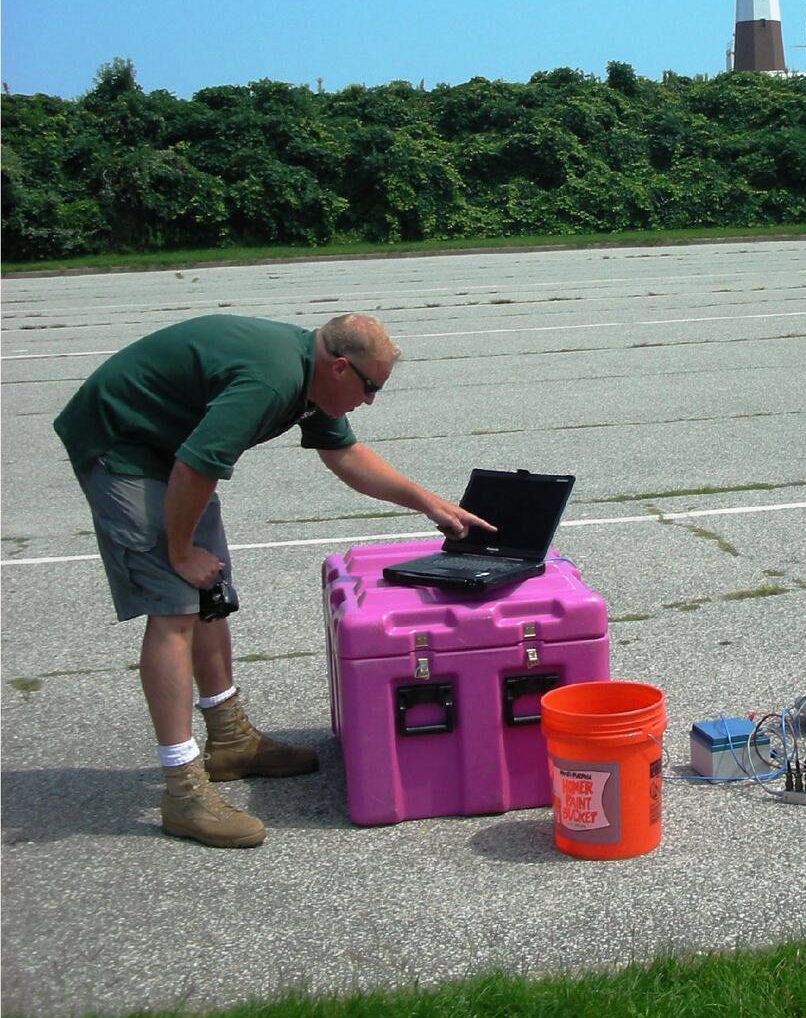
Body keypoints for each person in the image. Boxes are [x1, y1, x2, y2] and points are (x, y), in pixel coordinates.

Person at [53, 312, 494, 849]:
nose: (372, 400)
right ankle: (182, 790)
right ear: (338, 367)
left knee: (208, 596)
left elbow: (347, 456)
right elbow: (197, 466)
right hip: (122, 444)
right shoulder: (271, 379)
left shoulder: (312, 377)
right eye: (370, 387)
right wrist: (179, 549)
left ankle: (231, 740)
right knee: (174, 606)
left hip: (172, 449)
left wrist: (431, 504)